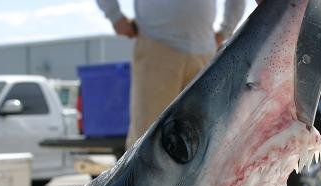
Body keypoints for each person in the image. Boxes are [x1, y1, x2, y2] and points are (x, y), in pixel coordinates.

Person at [96, 0, 247, 149]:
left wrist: (226, 30)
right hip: (157, 47)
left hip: (204, 54)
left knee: (205, 137)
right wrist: (114, 15)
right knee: (147, 140)